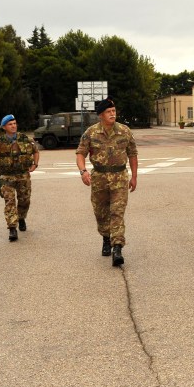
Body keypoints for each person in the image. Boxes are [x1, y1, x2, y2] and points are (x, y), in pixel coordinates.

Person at [76, 98, 138, 267]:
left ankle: (117, 248)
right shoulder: (91, 132)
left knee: (117, 212)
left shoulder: (124, 131)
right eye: (109, 112)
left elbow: (132, 154)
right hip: (99, 179)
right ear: (101, 115)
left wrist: (134, 176)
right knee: (101, 212)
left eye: (114, 111)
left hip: (119, 177)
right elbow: (80, 153)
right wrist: (83, 172)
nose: (113, 114)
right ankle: (105, 237)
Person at [0, 114, 39, 242]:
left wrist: (35, 164)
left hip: (23, 175)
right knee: (9, 201)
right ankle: (12, 228)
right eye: (10, 124)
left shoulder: (25, 139)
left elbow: (36, 151)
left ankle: (21, 218)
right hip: (6, 176)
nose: (13, 126)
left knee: (25, 200)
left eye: (14, 123)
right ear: (4, 127)